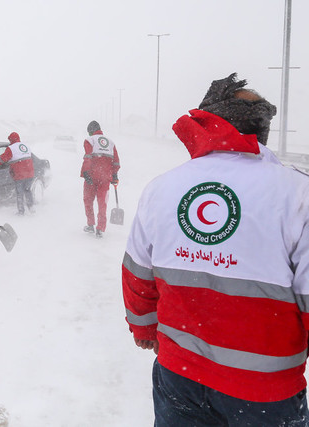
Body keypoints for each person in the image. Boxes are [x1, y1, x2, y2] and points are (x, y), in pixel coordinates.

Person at [122, 73, 309, 425]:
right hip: (264, 392)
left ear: (207, 121)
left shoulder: (162, 189)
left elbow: (137, 274)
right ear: (261, 128)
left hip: (178, 375)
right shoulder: (296, 194)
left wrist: (144, 329)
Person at [80, 120, 120, 238]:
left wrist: (85, 172)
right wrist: (114, 175)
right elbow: (116, 161)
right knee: (102, 203)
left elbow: (87, 157)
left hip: (91, 176)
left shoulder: (89, 140)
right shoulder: (111, 143)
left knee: (88, 200)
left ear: (91, 131)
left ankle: (91, 224)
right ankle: (100, 228)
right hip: (105, 177)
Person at [0, 131, 35, 215]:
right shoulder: (26, 146)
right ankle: (32, 209)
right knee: (28, 190)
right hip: (30, 173)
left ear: (11, 139)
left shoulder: (11, 148)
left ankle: (21, 212)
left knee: (19, 193)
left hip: (20, 174)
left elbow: (2, 159)